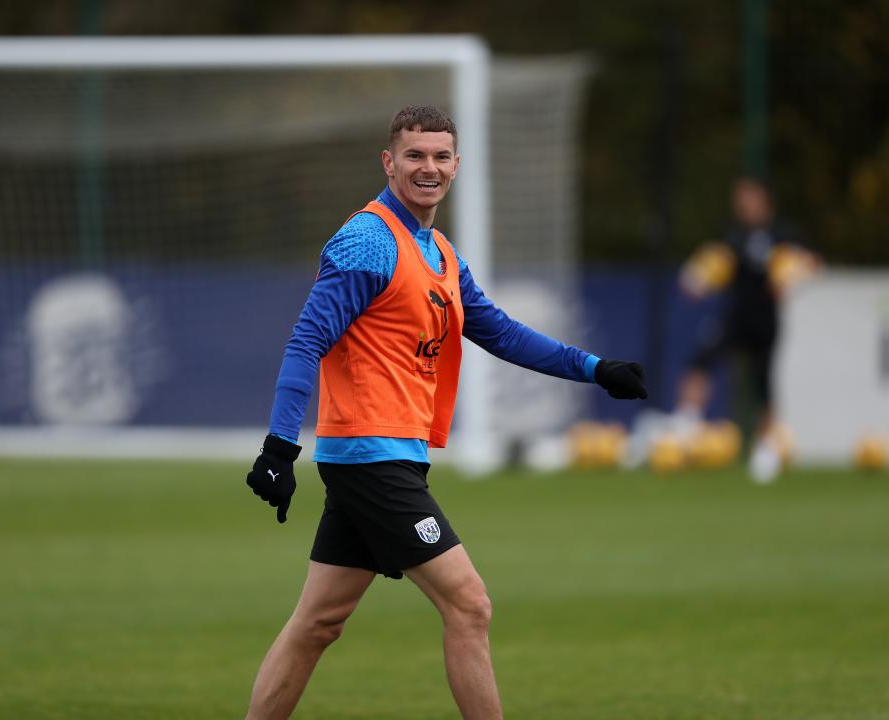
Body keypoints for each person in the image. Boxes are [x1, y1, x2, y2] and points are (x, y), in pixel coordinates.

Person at [243, 105, 647, 720]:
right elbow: (306, 342)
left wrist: (594, 369)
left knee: (318, 623)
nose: (427, 167)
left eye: (439, 156)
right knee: (470, 605)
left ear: (456, 165)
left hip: (390, 455)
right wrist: (278, 447)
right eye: (414, 155)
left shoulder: (438, 252)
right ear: (389, 162)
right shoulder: (367, 241)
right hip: (370, 456)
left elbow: (501, 333)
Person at [674, 176, 818, 482]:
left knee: (763, 386)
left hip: (765, 321)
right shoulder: (733, 236)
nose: (743, 204)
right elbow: (709, 266)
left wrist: (795, 274)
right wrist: (697, 280)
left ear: (764, 199)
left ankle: (765, 449)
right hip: (734, 317)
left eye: (749, 198)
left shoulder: (783, 233)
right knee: (699, 361)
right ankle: (686, 425)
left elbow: (811, 262)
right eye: (740, 199)